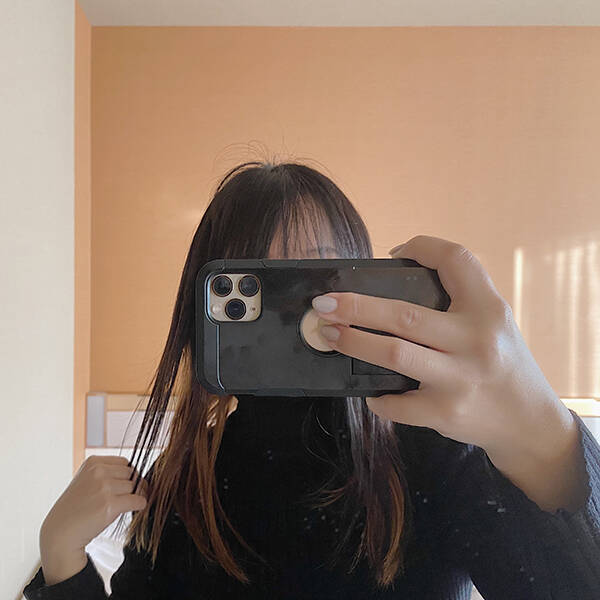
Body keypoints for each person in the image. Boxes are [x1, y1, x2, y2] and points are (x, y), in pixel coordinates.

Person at [24, 160, 600, 599]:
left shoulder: (435, 454)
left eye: (313, 279)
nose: (294, 316)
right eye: (262, 283)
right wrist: (61, 556)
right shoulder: (185, 480)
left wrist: (543, 437)